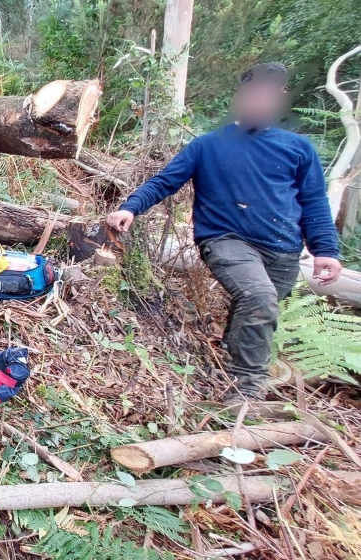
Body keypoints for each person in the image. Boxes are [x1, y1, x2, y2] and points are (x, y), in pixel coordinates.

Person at [106, 63, 342, 400]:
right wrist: (131, 207)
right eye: (253, 94)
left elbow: (314, 201)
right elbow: (165, 181)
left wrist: (326, 251)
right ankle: (247, 392)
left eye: (268, 95)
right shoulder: (208, 146)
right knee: (259, 298)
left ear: (279, 99)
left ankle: (231, 365)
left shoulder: (298, 149)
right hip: (224, 240)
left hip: (283, 249)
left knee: (256, 306)